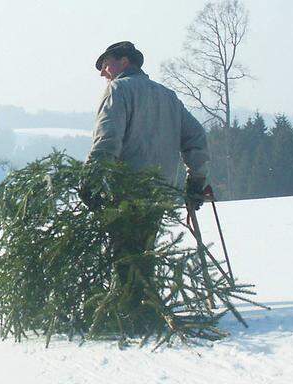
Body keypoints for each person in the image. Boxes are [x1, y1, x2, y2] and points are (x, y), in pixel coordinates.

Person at [81, 41, 211, 334]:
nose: (103, 72)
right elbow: (196, 138)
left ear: (124, 62)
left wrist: (90, 179)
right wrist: (196, 181)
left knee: (125, 253)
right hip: (160, 191)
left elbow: (107, 139)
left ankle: (131, 314)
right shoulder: (168, 96)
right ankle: (142, 307)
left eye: (105, 64)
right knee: (144, 250)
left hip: (127, 189)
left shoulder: (119, 91)